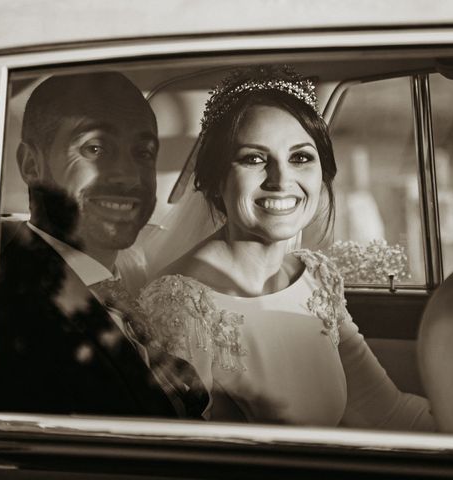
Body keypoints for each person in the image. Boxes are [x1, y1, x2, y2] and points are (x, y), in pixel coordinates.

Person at [135, 66, 436, 429]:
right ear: (214, 182)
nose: (281, 180)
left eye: (300, 157)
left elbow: (384, 412)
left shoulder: (316, 279)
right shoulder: (179, 305)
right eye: (254, 158)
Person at [0, 71, 207, 418]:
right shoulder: (13, 318)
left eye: (144, 152)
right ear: (31, 165)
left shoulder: (122, 283)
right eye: (94, 148)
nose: (129, 175)